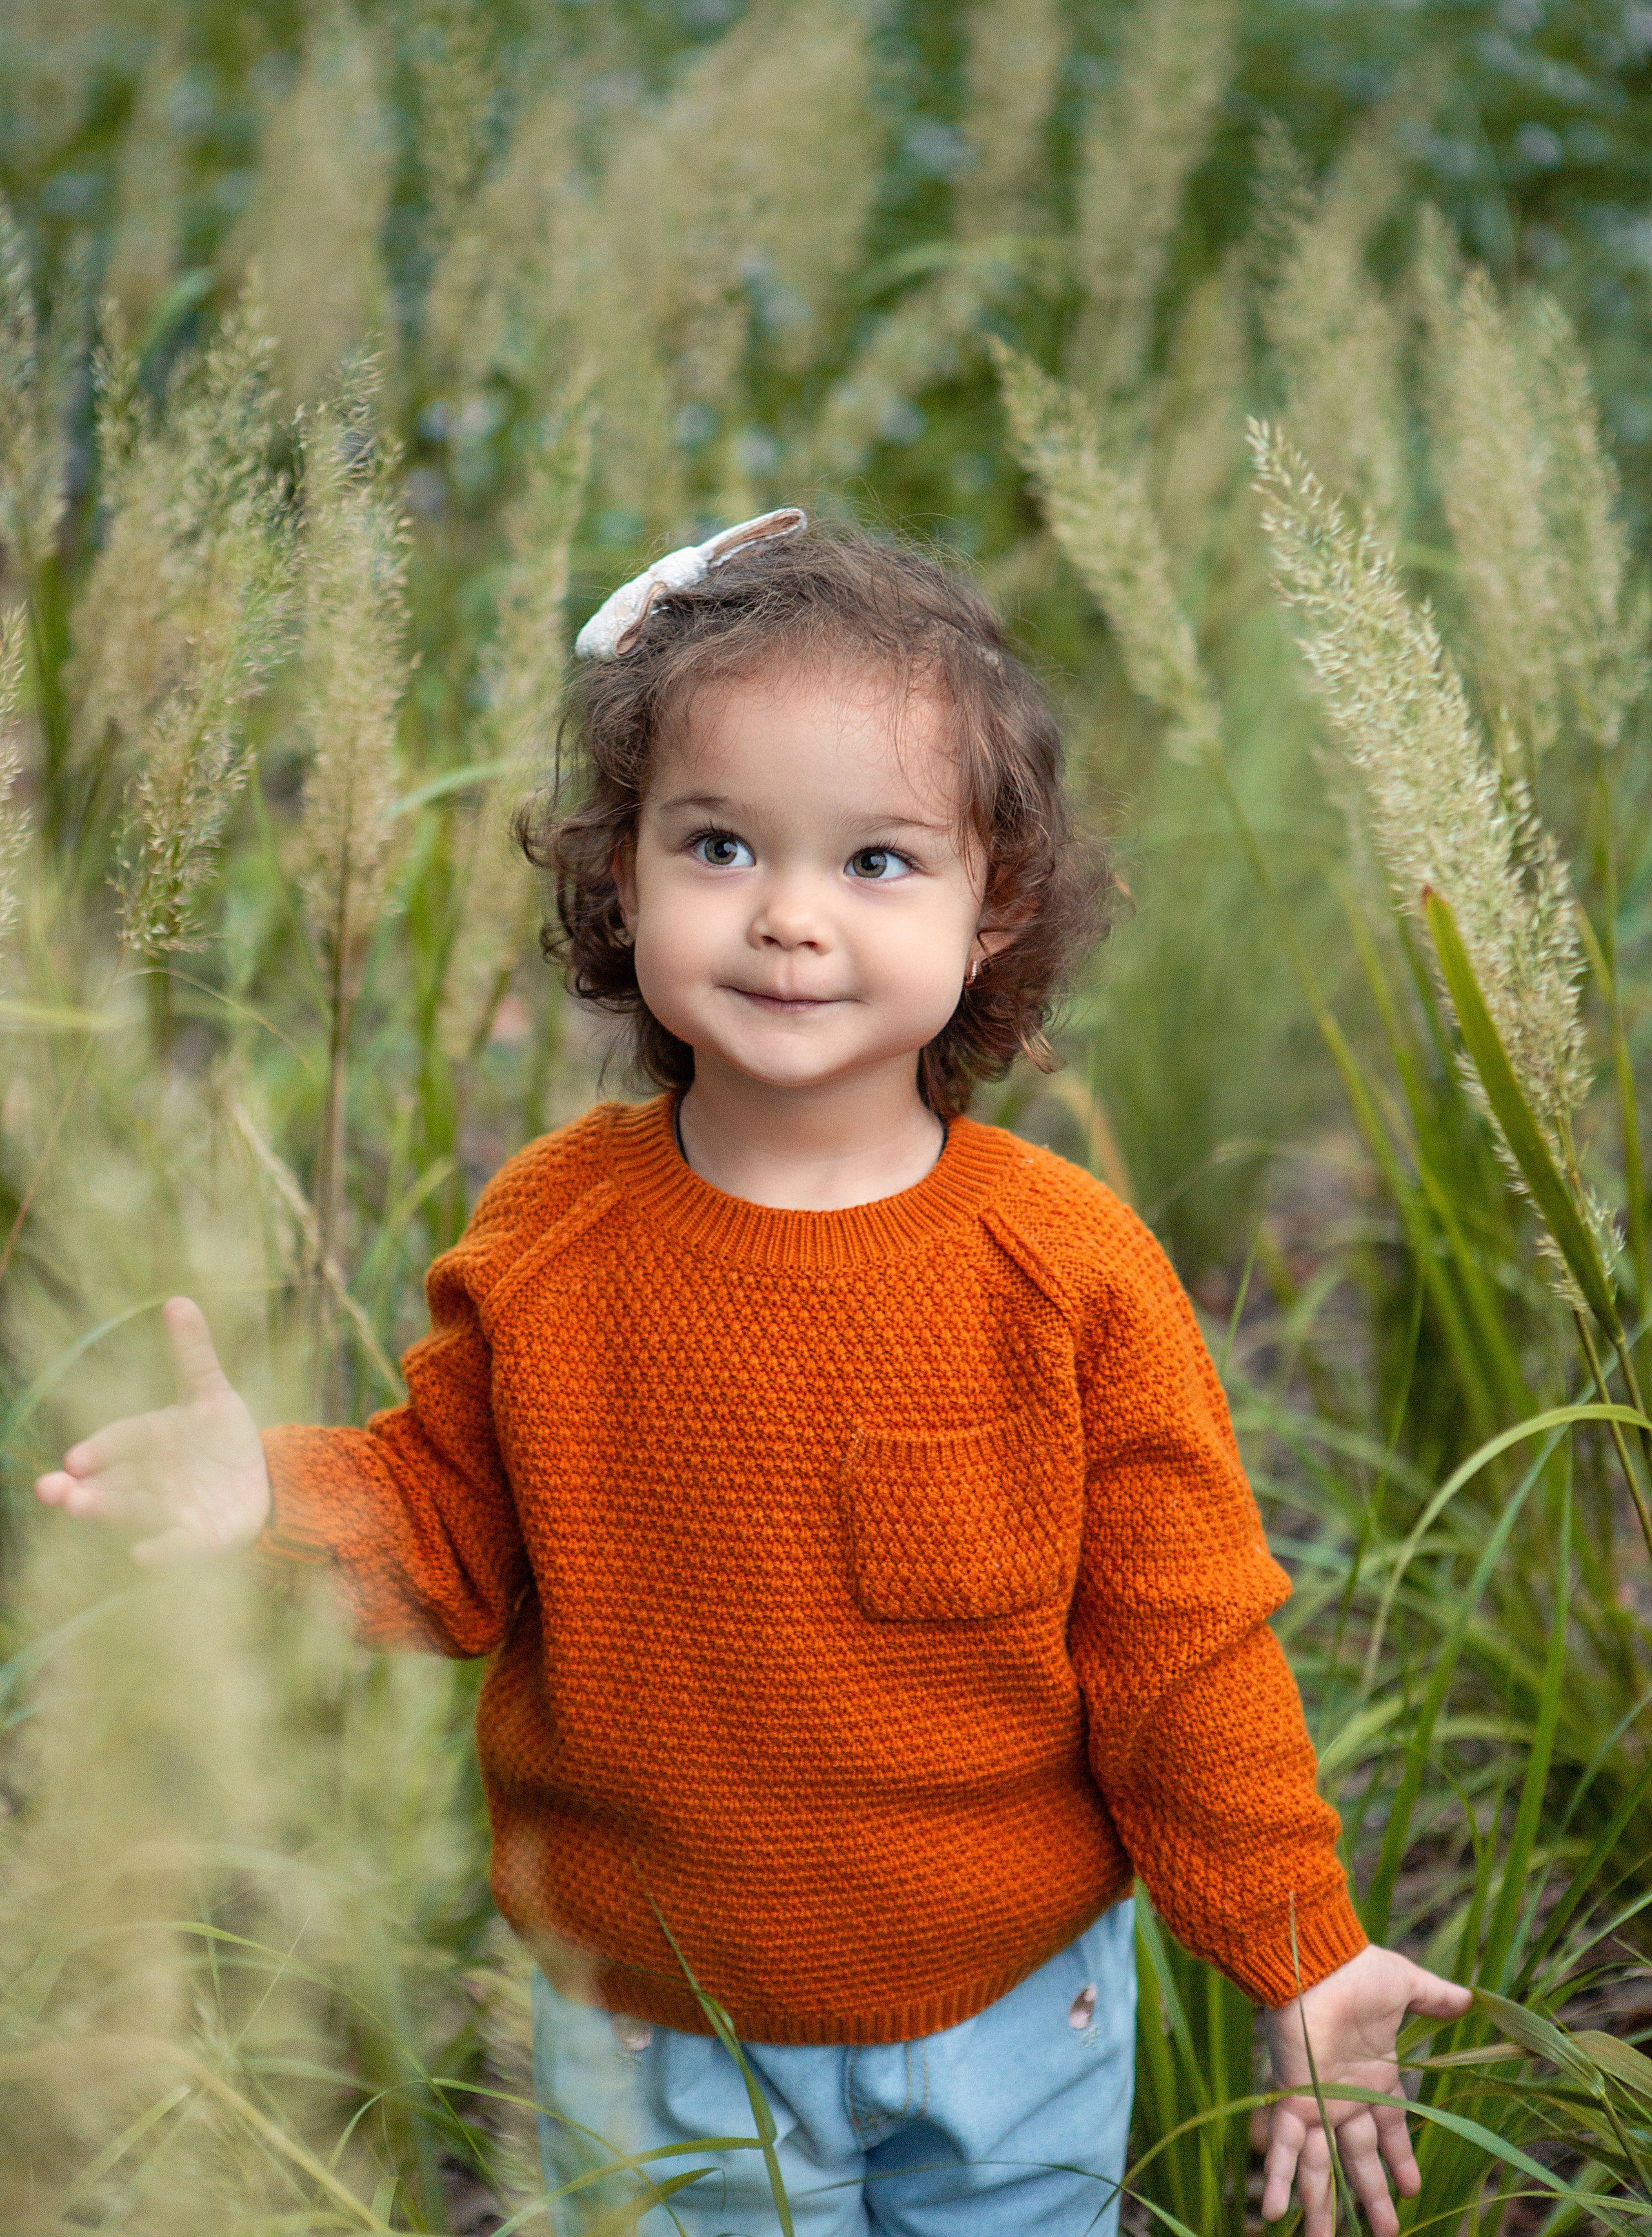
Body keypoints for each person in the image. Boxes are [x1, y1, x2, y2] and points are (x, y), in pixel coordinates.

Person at [37, 512, 1470, 2237]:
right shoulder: (559, 1235)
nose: (789, 916)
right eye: (719, 845)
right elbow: (451, 1522)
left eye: (877, 861)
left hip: (1015, 2021)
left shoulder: (1064, 1267)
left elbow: (1181, 1647)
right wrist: (269, 1491)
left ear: (994, 909)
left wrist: (1301, 1947)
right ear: (622, 877)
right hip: (653, 2027)